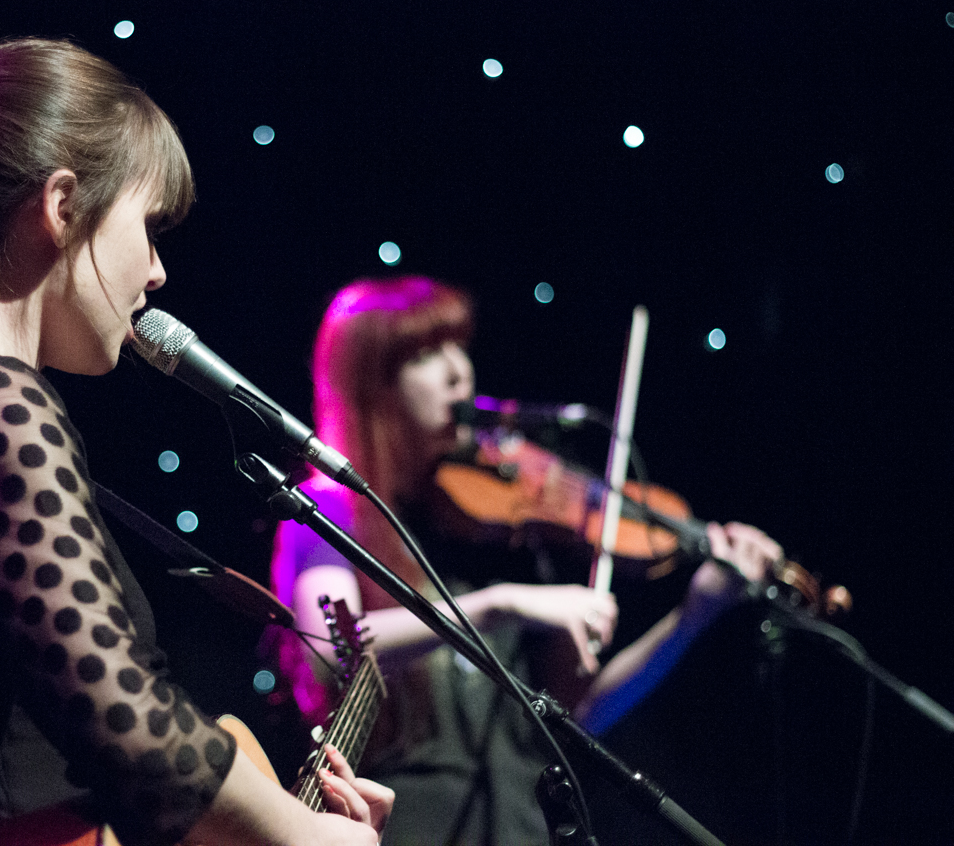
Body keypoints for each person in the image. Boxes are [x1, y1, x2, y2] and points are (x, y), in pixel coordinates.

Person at [0, 37, 392, 846]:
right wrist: (304, 834)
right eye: (146, 226)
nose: (157, 271)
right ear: (62, 205)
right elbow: (133, 731)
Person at [270, 276, 783, 845]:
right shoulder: (329, 509)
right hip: (405, 826)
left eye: (458, 346)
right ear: (372, 387)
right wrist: (498, 606)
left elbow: (577, 716)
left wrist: (691, 617)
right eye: (424, 354)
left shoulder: (486, 529)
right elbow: (331, 651)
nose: (458, 370)